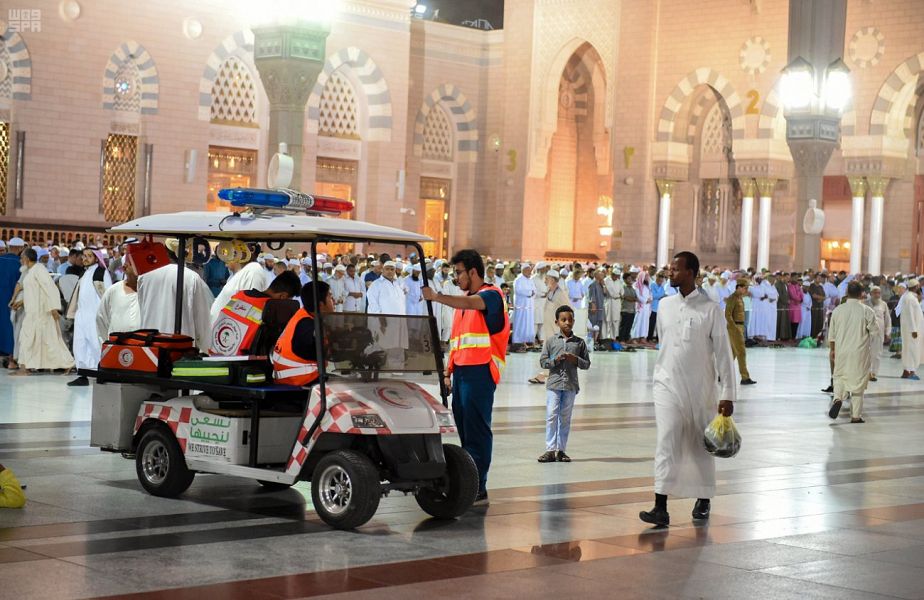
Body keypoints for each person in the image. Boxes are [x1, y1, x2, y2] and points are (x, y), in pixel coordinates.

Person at [639, 251, 736, 527]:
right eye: (670, 269)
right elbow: (665, 344)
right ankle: (660, 505)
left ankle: (704, 498)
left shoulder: (710, 309)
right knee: (666, 440)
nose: (671, 273)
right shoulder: (666, 305)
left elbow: (723, 354)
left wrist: (727, 393)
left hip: (701, 388)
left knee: (699, 445)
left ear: (692, 273)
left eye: (676, 269)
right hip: (666, 384)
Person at [422, 249, 510, 506]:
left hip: (481, 371)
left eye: (459, 272)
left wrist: (437, 297)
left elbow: (476, 303)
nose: (456, 278)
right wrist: (448, 373)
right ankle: (470, 480)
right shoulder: (462, 304)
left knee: (477, 431)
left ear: (473, 271)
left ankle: (478, 486)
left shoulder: (492, 295)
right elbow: (456, 342)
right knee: (465, 429)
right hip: (461, 371)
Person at [538, 305, 590, 463]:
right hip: (554, 384)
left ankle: (561, 450)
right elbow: (543, 362)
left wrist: (575, 359)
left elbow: (586, 364)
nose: (567, 322)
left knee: (565, 418)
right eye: (563, 320)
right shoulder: (551, 341)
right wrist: (555, 360)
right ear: (557, 322)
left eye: (570, 319)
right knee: (551, 415)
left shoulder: (579, 343)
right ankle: (549, 450)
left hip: (570, 385)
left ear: (574, 321)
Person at [136, 250, 214, 353]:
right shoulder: (192, 277)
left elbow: (141, 311)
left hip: (151, 347)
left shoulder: (145, 276)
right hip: (181, 348)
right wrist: (205, 348)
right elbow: (202, 321)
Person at [12, 248, 75, 374]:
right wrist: (20, 302)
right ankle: (26, 367)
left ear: (27, 258)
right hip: (33, 312)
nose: (20, 260)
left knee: (49, 340)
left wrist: (53, 308)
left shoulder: (39, 269)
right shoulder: (31, 272)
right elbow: (34, 291)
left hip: (42, 312)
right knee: (34, 339)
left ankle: (68, 363)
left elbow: (50, 288)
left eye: (22, 257)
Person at [209, 271, 301, 356]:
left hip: (214, 354)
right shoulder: (272, 309)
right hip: (240, 364)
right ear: (283, 296)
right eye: (289, 300)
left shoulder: (239, 296)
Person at [828, 281, 879, 423]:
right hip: (860, 352)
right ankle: (856, 416)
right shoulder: (867, 310)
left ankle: (838, 398)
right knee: (858, 383)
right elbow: (875, 332)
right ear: (862, 294)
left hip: (841, 351)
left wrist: (833, 350)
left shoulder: (838, 310)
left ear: (846, 293)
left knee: (840, 376)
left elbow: (831, 335)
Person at [271, 280, 335, 386]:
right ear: (320, 304)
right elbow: (330, 352)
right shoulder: (307, 326)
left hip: (296, 379)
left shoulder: (305, 316)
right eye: (330, 297)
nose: (334, 300)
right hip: (300, 383)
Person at [66, 248, 112, 386]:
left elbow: (107, 294)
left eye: (89, 256)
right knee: (80, 344)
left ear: (96, 258)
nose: (85, 258)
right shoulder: (84, 272)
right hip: (82, 315)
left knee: (96, 344)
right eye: (84, 256)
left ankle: (102, 373)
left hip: (94, 315)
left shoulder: (101, 272)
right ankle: (83, 375)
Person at [209, 251, 267, 326]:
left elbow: (248, 307)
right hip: (221, 327)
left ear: (236, 256)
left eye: (228, 255)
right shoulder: (233, 275)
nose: (225, 264)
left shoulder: (253, 271)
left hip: (232, 328)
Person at [96, 261, 141, 340]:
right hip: (116, 347)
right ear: (125, 268)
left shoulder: (150, 291)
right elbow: (102, 321)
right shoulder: (113, 291)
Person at [725, 279, 756, 385]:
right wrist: (734, 328)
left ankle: (722, 374)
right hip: (735, 328)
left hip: (740, 327)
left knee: (732, 353)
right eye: (745, 288)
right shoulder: (732, 298)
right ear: (739, 287)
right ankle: (745, 377)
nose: (746, 290)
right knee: (741, 352)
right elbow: (728, 315)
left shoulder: (740, 298)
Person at [0, 237, 23, 362]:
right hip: (11, 300)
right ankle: (10, 356)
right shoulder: (21, 263)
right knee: (10, 326)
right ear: (20, 248)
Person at [866, 285, 891, 382]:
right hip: (866, 332)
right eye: (875, 292)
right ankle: (866, 373)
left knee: (876, 354)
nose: (877, 295)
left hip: (879, 333)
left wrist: (888, 332)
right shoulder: (865, 304)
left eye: (878, 293)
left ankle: (874, 373)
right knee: (866, 354)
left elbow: (888, 320)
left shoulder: (883, 304)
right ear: (871, 293)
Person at [900, 279, 923, 380]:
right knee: (912, 350)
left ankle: (906, 371)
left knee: (908, 349)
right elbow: (910, 315)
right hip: (912, 330)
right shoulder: (910, 298)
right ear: (916, 287)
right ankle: (911, 371)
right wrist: (914, 330)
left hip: (910, 329)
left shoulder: (908, 297)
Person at [511, 264, 536, 350]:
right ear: (523, 270)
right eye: (528, 270)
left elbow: (534, 290)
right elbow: (519, 291)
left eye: (530, 270)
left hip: (529, 306)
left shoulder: (530, 280)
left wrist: (532, 292)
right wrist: (530, 293)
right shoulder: (518, 280)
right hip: (521, 306)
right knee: (520, 323)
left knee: (528, 323)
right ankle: (518, 341)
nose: (530, 272)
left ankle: (528, 341)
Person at [602, 267, 624, 343]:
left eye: (618, 276)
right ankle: (607, 338)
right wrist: (617, 295)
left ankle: (614, 337)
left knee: (616, 320)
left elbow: (622, 292)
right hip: (609, 302)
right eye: (616, 275)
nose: (617, 277)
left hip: (617, 302)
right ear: (612, 274)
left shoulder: (619, 281)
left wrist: (618, 295)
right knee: (608, 320)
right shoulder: (607, 280)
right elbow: (611, 293)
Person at [587, 269, 606, 348]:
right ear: (596, 276)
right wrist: (593, 305)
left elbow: (605, 293)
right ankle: (590, 342)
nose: (602, 275)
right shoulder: (593, 285)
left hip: (601, 307)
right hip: (595, 308)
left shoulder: (601, 284)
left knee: (599, 324)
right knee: (593, 324)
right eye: (600, 274)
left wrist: (603, 285)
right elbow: (591, 297)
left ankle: (595, 341)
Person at [631, 271, 652, 343]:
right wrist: (646, 300)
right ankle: (634, 337)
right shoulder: (636, 285)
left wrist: (650, 299)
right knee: (638, 322)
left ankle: (642, 337)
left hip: (647, 307)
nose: (647, 278)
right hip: (640, 306)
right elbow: (638, 296)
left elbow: (650, 294)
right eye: (645, 276)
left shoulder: (647, 286)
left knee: (645, 322)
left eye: (647, 276)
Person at [532, 262, 549, 344]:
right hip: (536, 303)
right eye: (542, 269)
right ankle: (532, 340)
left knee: (542, 323)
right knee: (535, 323)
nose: (544, 271)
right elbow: (533, 291)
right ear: (538, 270)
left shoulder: (545, 278)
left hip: (544, 303)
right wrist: (542, 294)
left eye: (544, 269)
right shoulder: (533, 279)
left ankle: (542, 340)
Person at [619, 272, 638, 343]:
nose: (630, 280)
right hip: (625, 309)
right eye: (628, 278)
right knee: (623, 326)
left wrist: (633, 299)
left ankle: (627, 338)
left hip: (632, 310)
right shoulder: (623, 287)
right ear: (624, 279)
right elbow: (626, 297)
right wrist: (633, 299)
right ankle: (621, 339)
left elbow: (636, 298)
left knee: (629, 326)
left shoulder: (633, 288)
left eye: (631, 278)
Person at [775, 272, 792, 342]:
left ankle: (784, 336)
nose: (788, 279)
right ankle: (778, 336)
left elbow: (787, 294)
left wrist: (788, 300)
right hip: (780, 305)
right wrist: (786, 301)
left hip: (785, 305)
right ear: (783, 277)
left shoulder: (786, 285)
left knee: (785, 321)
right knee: (780, 320)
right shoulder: (778, 284)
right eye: (787, 278)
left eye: (788, 278)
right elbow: (779, 295)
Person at [787, 272, 804, 339]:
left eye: (797, 278)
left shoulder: (798, 286)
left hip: (798, 306)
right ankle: (791, 337)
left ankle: (794, 337)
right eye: (795, 277)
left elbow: (801, 294)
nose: (796, 279)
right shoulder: (790, 286)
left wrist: (801, 299)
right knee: (792, 322)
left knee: (796, 322)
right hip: (792, 306)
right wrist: (799, 299)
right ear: (791, 278)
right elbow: (792, 295)